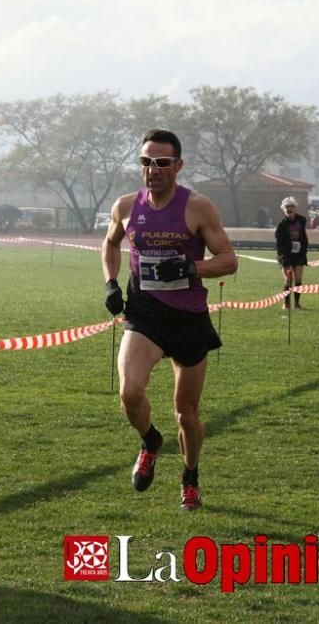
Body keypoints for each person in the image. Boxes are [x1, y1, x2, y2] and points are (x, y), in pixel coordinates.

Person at [101, 129, 238, 511]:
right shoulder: (126, 206)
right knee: (129, 393)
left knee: (187, 414)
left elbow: (229, 259)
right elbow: (111, 244)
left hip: (189, 319)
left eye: (162, 162)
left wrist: (191, 266)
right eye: (146, 162)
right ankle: (149, 442)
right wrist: (111, 283)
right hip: (145, 315)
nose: (153, 169)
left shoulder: (197, 207)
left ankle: (190, 475)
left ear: (178, 165)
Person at [274, 197, 309, 310]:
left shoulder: (302, 221)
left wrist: (304, 251)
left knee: (298, 278)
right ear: (283, 210)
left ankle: (297, 304)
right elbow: (279, 244)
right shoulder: (281, 225)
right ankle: (286, 303)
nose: (289, 209)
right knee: (289, 279)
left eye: (291, 207)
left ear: (295, 209)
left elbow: (304, 237)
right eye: (286, 207)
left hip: (298, 254)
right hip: (286, 255)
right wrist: (282, 256)